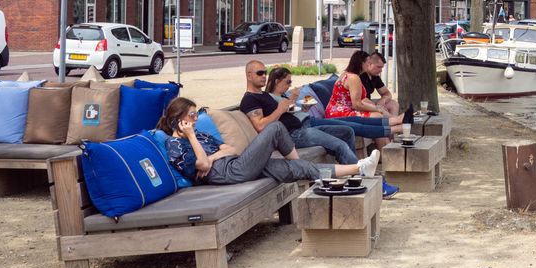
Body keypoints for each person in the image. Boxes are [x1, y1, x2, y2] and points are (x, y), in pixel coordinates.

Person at [159, 96, 378, 185]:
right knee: (275, 128)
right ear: (177, 119)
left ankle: (360, 168)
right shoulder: (175, 145)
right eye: (191, 116)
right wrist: (191, 137)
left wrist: (212, 156)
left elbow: (229, 148)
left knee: (299, 168)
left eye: (196, 115)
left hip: (235, 163)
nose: (195, 120)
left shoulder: (200, 135)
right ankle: (297, 162)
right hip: (228, 173)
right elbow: (202, 165)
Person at [240, 60, 359, 166]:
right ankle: (356, 171)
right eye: (260, 73)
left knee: (347, 132)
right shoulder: (250, 99)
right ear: (249, 76)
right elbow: (260, 126)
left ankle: (350, 170)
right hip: (292, 136)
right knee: (339, 145)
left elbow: (284, 112)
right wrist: (279, 110)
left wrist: (295, 108)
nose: (264, 76)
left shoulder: (265, 95)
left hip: (302, 128)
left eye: (265, 73)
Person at [266, 65, 407, 147]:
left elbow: (295, 113)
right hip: (303, 128)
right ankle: (397, 127)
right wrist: (293, 98)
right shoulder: (270, 99)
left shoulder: (284, 96)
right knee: (350, 127)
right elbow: (280, 117)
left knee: (354, 121)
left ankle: (396, 122)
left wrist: (304, 108)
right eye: (288, 82)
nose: (290, 85)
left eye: (291, 82)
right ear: (277, 81)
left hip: (310, 121)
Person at [361, 51, 399, 117]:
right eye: (378, 67)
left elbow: (387, 93)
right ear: (369, 64)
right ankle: (395, 120)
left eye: (382, 67)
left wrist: (383, 100)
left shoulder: (375, 77)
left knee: (393, 104)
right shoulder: (360, 76)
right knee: (381, 112)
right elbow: (360, 99)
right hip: (361, 104)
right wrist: (377, 107)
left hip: (370, 103)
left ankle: (393, 120)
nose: (381, 70)